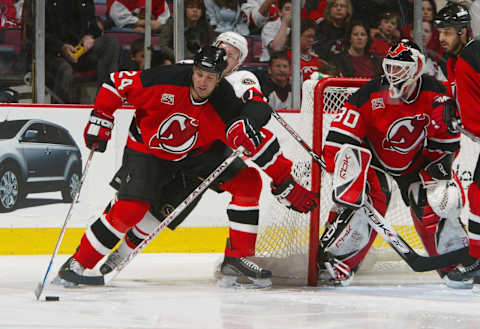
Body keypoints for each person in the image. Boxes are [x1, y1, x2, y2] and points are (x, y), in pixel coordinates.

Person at [55, 45, 318, 288]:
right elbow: (115, 83)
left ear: (219, 77)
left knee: (248, 182)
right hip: (148, 148)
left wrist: (284, 181)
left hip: (198, 156)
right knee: (130, 211)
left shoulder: (224, 101)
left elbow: (257, 142)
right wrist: (101, 117)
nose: (203, 82)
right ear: (193, 71)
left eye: (210, 77)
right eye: (199, 75)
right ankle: (79, 263)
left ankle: (236, 259)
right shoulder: (166, 78)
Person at [317, 39, 470, 286]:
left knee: (441, 198)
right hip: (375, 164)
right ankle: (336, 262)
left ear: (417, 68)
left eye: (400, 68)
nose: (392, 73)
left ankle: (455, 264)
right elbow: (339, 139)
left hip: (420, 165)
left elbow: (446, 149)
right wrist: (343, 174)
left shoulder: (437, 94)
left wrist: (434, 175)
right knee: (363, 196)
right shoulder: (367, 94)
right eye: (390, 66)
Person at [433, 2, 480, 287]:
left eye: (448, 32)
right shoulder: (454, 61)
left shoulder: (475, 53)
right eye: (439, 32)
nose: (441, 38)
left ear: (463, 31)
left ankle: (477, 259)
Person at [45, 0, 120, 103]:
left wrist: (89, 36)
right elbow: (35, 33)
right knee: (65, 70)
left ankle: (105, 100)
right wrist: (61, 47)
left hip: (80, 51)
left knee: (110, 42)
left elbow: (94, 26)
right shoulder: (42, 3)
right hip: (52, 53)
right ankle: (61, 110)